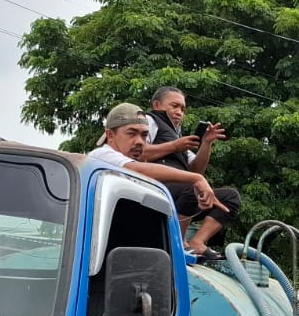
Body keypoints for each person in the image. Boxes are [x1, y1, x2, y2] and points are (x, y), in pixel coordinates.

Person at [87, 103, 230, 257]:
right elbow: (137, 169)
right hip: (100, 252)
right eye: (131, 133)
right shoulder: (102, 156)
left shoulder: (139, 167)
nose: (140, 141)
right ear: (110, 135)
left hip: (129, 250)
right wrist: (196, 179)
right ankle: (179, 244)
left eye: (143, 135)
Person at [140, 86, 240, 259]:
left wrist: (206, 143)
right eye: (174, 106)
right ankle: (179, 242)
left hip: (181, 192)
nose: (179, 112)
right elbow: (138, 152)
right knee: (193, 185)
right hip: (155, 187)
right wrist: (174, 146)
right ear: (157, 105)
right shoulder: (149, 121)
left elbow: (196, 170)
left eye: (183, 109)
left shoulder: (177, 136)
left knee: (230, 197)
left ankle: (197, 242)